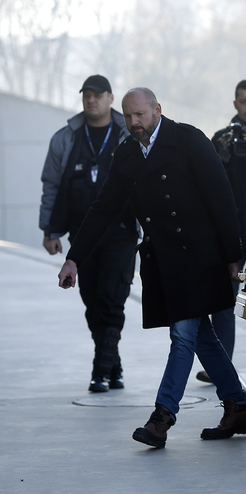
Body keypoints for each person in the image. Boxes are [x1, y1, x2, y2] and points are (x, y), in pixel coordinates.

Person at [58, 88, 246, 449]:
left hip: (201, 256)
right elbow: (104, 208)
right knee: (202, 338)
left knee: (183, 335)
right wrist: (75, 257)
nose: (134, 123)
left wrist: (233, 255)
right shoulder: (127, 154)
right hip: (164, 262)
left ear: (157, 110)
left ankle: (162, 417)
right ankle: (238, 405)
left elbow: (221, 198)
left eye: (141, 115)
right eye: (129, 116)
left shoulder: (188, 140)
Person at [39, 74, 139, 393]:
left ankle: (100, 369)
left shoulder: (130, 135)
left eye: (98, 95)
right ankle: (113, 363)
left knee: (113, 300)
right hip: (81, 237)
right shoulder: (65, 138)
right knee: (92, 302)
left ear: (111, 98)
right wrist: (50, 230)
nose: (91, 100)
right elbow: (52, 186)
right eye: (87, 95)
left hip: (121, 233)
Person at [197, 80, 246, 382]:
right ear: (235, 104)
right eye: (243, 101)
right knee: (223, 304)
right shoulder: (221, 140)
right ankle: (220, 366)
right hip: (229, 234)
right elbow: (211, 186)